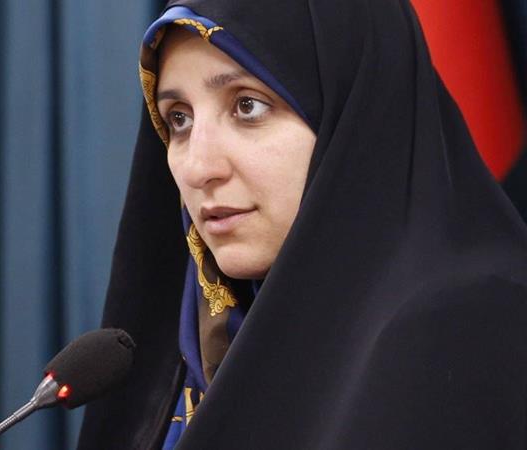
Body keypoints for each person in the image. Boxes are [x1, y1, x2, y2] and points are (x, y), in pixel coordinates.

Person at [77, 0, 527, 449]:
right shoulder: (200, 347)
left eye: (247, 106)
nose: (198, 168)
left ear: (357, 113)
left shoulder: (461, 328)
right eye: (179, 118)